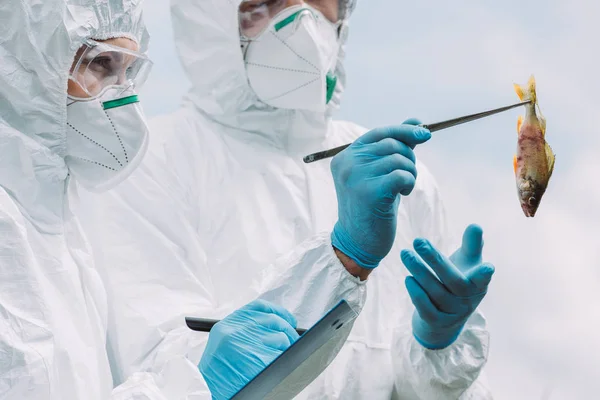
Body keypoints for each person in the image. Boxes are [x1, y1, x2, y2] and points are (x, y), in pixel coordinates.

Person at [80, 0, 496, 398]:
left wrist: (438, 346)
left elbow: (416, 393)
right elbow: (166, 377)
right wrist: (343, 261)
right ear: (209, 20)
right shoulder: (150, 162)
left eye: (317, 0)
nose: (301, 22)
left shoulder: (400, 175)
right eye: (267, 2)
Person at [1, 1, 361, 399]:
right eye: (101, 64)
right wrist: (196, 387)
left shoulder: (58, 232)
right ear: (20, 67)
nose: (124, 101)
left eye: (128, 72)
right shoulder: (13, 228)